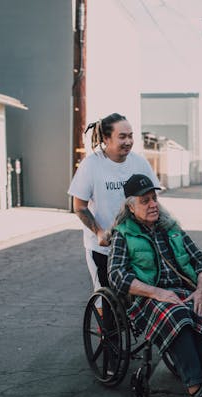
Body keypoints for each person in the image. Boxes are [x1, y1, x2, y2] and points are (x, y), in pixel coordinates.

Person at [107, 174, 202, 397]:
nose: (153, 204)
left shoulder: (171, 228)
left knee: (198, 313)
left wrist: (199, 291)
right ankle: (197, 389)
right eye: (145, 200)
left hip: (184, 293)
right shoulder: (124, 234)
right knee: (178, 316)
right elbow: (117, 275)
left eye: (154, 198)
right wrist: (157, 292)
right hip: (147, 300)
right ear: (131, 207)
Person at [68, 113, 160, 291]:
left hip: (136, 245)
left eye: (131, 136)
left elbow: (153, 199)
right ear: (106, 138)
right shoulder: (91, 165)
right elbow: (79, 207)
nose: (128, 141)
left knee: (136, 298)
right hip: (103, 248)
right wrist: (99, 232)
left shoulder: (139, 163)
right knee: (106, 301)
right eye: (122, 136)